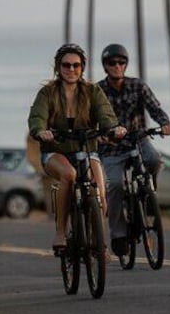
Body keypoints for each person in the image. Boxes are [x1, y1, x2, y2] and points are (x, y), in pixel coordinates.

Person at [28, 43, 126, 251]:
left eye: (76, 65)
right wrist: (40, 130)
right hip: (55, 151)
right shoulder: (47, 93)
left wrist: (113, 128)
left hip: (87, 150)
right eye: (66, 65)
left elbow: (105, 114)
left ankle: (99, 243)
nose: (71, 70)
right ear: (58, 67)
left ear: (82, 68)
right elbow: (37, 116)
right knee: (70, 175)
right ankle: (61, 233)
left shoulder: (92, 91)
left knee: (100, 194)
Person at [96, 44, 170, 256]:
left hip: (138, 140)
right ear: (105, 66)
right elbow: (91, 118)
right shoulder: (98, 91)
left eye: (121, 62)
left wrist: (165, 124)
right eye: (112, 63)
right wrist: (101, 135)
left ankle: (147, 194)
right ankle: (119, 234)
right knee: (115, 186)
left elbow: (155, 108)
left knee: (154, 161)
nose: (117, 66)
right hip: (112, 148)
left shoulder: (138, 86)